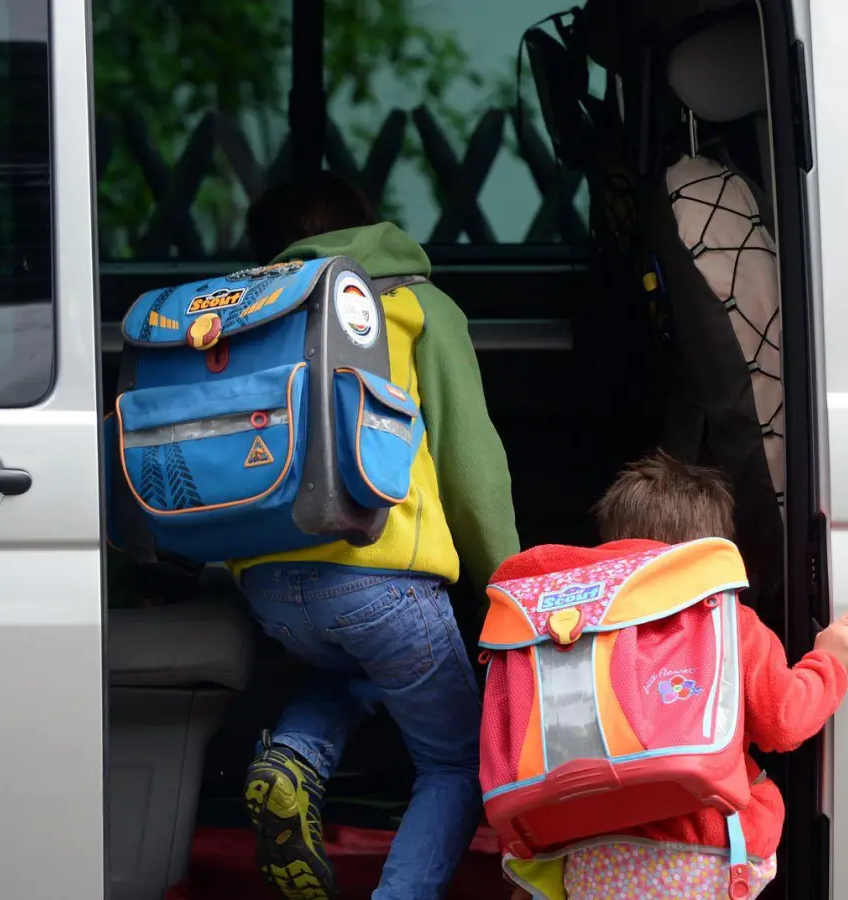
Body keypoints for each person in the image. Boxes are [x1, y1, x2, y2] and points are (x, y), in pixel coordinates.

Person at [235, 171, 521, 900]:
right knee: (455, 764)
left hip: (270, 587)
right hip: (382, 579)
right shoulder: (413, 306)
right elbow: (471, 465)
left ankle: (292, 756)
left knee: (352, 670)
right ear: (368, 226)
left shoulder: (245, 312)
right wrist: (514, 589)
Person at [495, 451, 848, 900]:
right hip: (703, 857)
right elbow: (784, 723)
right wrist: (829, 661)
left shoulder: (563, 630)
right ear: (708, 552)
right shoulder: (728, 624)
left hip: (589, 860)